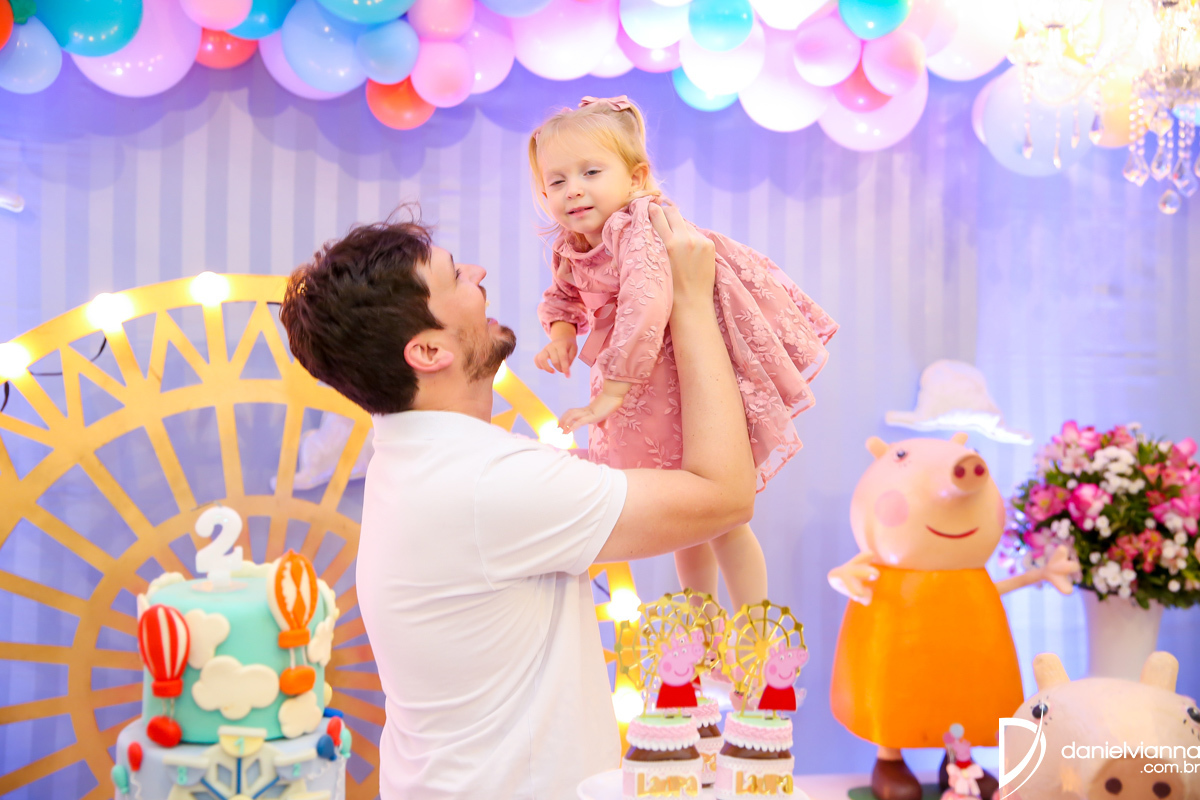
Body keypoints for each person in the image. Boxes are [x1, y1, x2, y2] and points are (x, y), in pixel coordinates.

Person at [278, 203, 757, 799]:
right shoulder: (487, 483)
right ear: (427, 353)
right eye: (455, 275)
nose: (478, 274)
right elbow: (724, 496)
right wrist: (689, 300)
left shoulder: (413, 462)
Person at [528, 95, 838, 614]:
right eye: (556, 181)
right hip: (645, 378)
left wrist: (612, 392)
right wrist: (561, 335)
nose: (573, 189)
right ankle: (701, 622)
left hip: (680, 369)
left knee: (723, 516)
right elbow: (562, 295)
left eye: (590, 172)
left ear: (635, 177)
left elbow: (646, 303)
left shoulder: (638, 225)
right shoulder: (572, 242)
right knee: (686, 514)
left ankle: (755, 620)